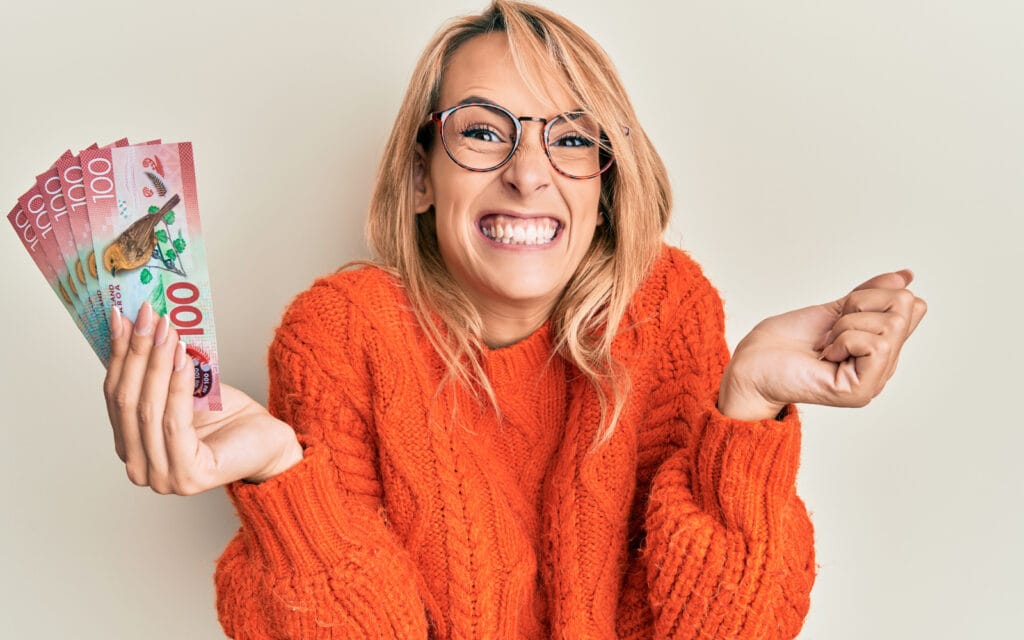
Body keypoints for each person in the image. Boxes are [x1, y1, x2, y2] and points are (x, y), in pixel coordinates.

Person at [101, 1, 927, 638]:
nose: (529, 172)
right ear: (421, 179)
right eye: (483, 132)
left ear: (605, 186)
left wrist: (745, 407)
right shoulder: (344, 334)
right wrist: (282, 476)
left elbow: (722, 627)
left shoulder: (665, 310)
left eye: (570, 139)